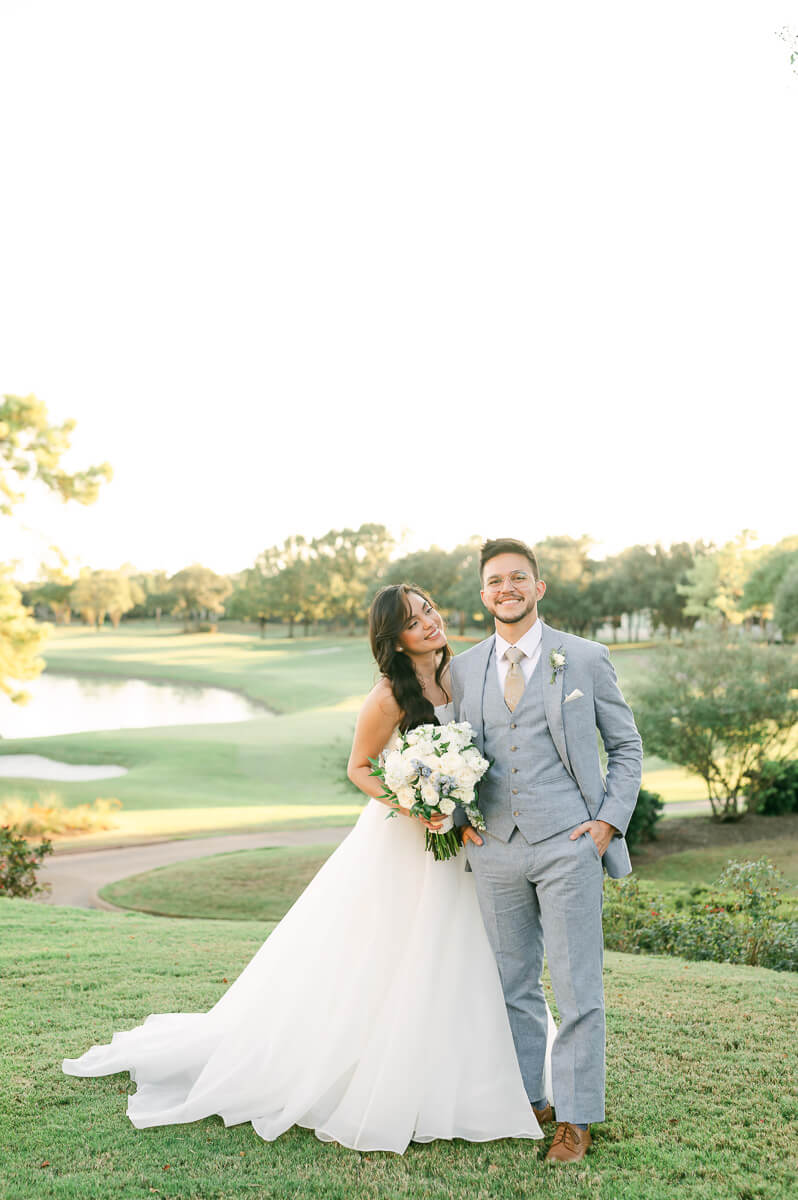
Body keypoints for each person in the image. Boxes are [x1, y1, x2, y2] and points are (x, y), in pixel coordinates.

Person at [63, 584, 554, 1154]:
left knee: (474, 950)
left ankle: (496, 1074)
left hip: (465, 841)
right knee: (396, 951)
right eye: (414, 620)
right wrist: (417, 805)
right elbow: (360, 768)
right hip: (406, 840)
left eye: (429, 611)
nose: (429, 622)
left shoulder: (465, 675)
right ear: (392, 639)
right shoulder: (387, 697)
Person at [450, 538, 643, 1164]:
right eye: (495, 581)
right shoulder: (464, 667)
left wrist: (607, 824)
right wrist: (458, 820)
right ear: (483, 594)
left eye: (518, 578)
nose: (506, 589)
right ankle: (531, 1101)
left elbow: (627, 748)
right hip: (496, 851)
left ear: (539, 588)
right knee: (513, 985)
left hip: (569, 845)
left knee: (577, 986)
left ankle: (578, 1117)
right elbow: (449, 752)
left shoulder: (583, 659)